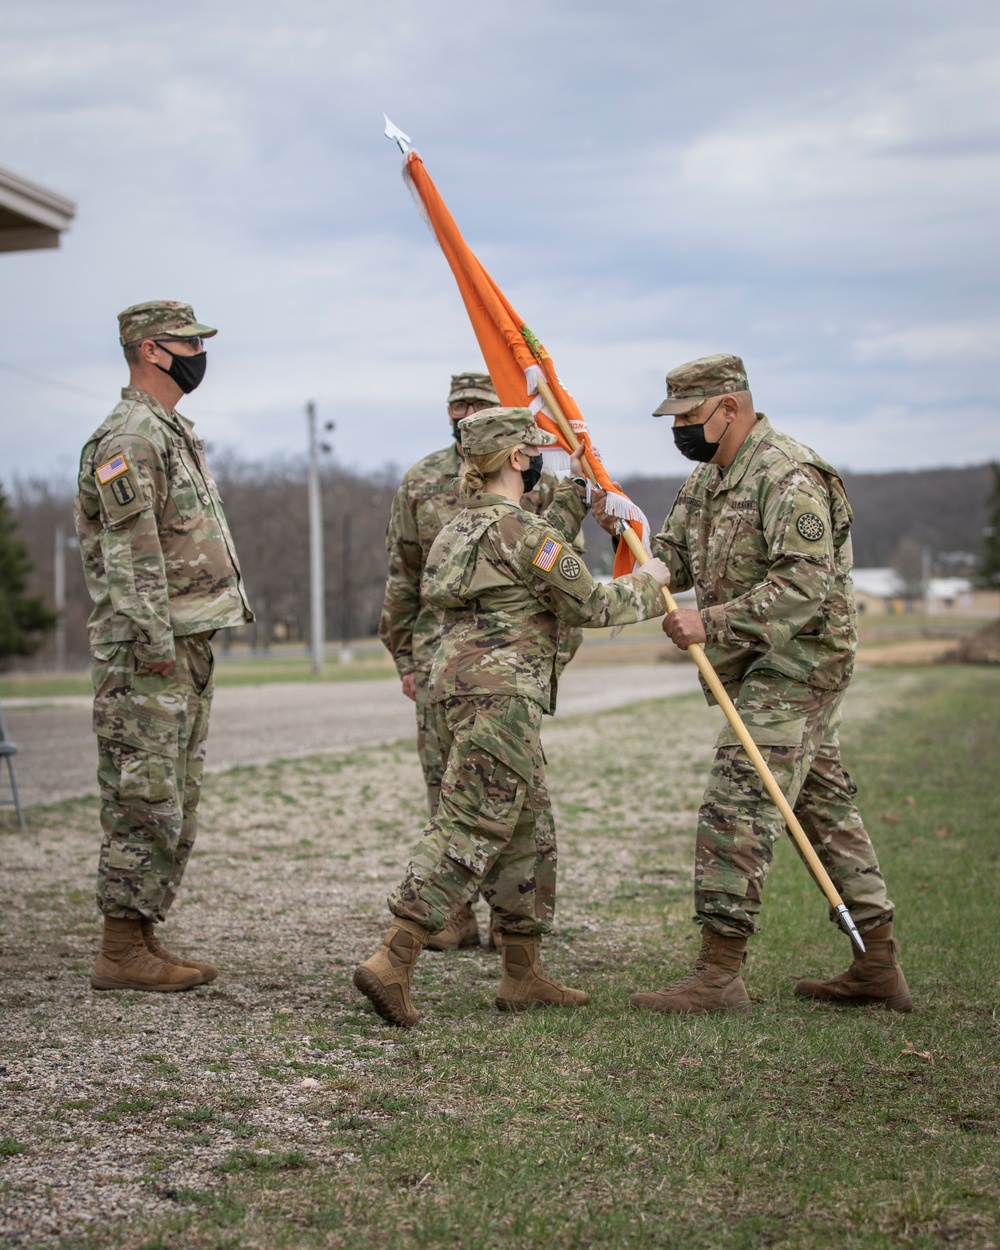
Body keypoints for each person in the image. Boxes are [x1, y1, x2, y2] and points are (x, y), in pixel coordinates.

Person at [595, 353, 911, 1014]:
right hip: (758, 662)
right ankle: (877, 963)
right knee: (820, 802)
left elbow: (804, 586)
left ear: (729, 408)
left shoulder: (787, 475)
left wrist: (708, 622)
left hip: (801, 661)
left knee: (738, 797)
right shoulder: (708, 480)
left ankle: (719, 974)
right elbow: (672, 563)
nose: (678, 429)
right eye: (673, 418)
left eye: (688, 417)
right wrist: (621, 546)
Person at [355, 407, 671, 1027]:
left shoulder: (458, 529)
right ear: (515, 460)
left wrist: (577, 501)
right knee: (470, 827)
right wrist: (652, 580)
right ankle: (392, 960)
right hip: (500, 700)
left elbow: (526, 565)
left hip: (458, 694)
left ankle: (521, 973)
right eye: (534, 455)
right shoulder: (522, 534)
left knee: (529, 829)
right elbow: (593, 603)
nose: (539, 464)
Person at [74, 300, 253, 993]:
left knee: (172, 799)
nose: (198, 353)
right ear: (151, 350)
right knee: (142, 797)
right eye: (188, 342)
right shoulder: (128, 438)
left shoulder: (169, 431)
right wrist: (152, 643)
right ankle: (120, 951)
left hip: (181, 645)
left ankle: (142, 935)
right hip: (150, 650)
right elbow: (132, 553)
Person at [378, 371, 582, 951]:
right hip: (459, 664)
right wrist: (403, 657)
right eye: (458, 404)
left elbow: (555, 567)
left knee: (514, 808)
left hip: (508, 667)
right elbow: (404, 576)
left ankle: (519, 952)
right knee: (458, 798)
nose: (466, 412)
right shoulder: (424, 481)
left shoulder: (513, 490)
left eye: (479, 405)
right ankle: (441, 921)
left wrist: (550, 663)